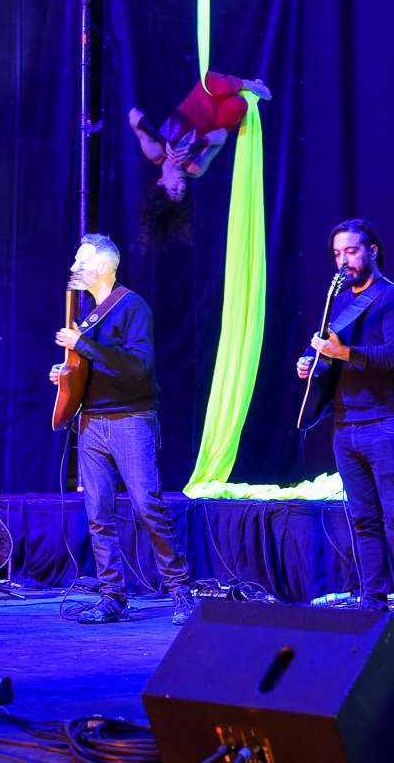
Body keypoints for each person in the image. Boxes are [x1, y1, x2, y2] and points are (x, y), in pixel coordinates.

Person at [296, 219, 394, 640]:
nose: (344, 261)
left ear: (373, 251)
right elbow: (329, 358)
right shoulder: (340, 303)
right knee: (363, 520)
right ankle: (372, 604)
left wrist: (344, 353)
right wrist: (312, 363)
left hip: (389, 424)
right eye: (337, 254)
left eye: (352, 251)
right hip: (347, 426)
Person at [48, 234, 195, 625]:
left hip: (130, 419)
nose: (73, 267)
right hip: (91, 422)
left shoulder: (132, 306)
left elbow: (138, 367)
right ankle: (112, 596)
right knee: (98, 512)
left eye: (81, 261)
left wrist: (82, 345)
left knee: (147, 506)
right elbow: (91, 368)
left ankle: (181, 592)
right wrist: (66, 374)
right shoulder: (89, 313)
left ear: (102, 266)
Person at [128, 72, 271, 203]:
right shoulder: (194, 168)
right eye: (183, 190)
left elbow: (133, 115)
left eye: (174, 189)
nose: (181, 185)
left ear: (161, 182)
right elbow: (222, 135)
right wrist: (194, 147)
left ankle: (246, 84)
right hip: (219, 116)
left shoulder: (155, 152)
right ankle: (244, 92)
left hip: (204, 92)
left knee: (223, 87)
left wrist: (162, 140)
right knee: (238, 106)